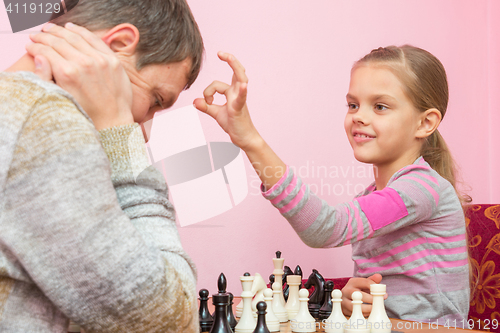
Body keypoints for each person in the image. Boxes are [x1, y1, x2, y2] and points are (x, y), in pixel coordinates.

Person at [193, 46, 470, 325]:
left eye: (380, 106)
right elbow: (381, 293)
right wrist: (350, 295)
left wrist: (250, 140)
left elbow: (324, 228)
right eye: (353, 105)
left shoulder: (422, 189)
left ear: (426, 122)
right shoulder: (370, 197)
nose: (359, 116)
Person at [0, 0, 203, 332]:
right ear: (119, 45)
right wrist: (119, 134)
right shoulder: (42, 118)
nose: (146, 132)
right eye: (155, 100)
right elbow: (168, 319)